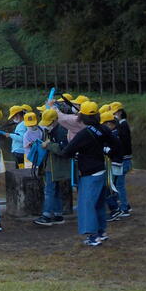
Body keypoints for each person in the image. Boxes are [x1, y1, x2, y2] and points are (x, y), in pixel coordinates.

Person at [56, 101, 120, 246]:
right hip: (102, 170)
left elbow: (66, 152)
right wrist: (107, 152)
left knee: (87, 204)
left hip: (89, 173)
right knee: (99, 203)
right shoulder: (103, 129)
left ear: (82, 116)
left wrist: (70, 150)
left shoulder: (84, 134)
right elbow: (116, 144)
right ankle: (101, 232)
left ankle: (93, 237)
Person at [33, 108, 69, 227]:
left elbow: (63, 149)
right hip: (53, 165)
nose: (46, 126)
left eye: (48, 123)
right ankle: (58, 214)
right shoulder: (53, 130)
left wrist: (48, 145)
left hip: (54, 166)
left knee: (49, 191)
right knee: (56, 190)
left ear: (55, 120)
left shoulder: (61, 131)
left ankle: (46, 215)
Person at [110, 101, 132, 217]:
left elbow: (122, 144)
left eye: (114, 113)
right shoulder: (123, 125)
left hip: (123, 160)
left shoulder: (122, 126)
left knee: (119, 185)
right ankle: (126, 205)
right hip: (124, 159)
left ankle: (124, 209)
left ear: (119, 112)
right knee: (118, 184)